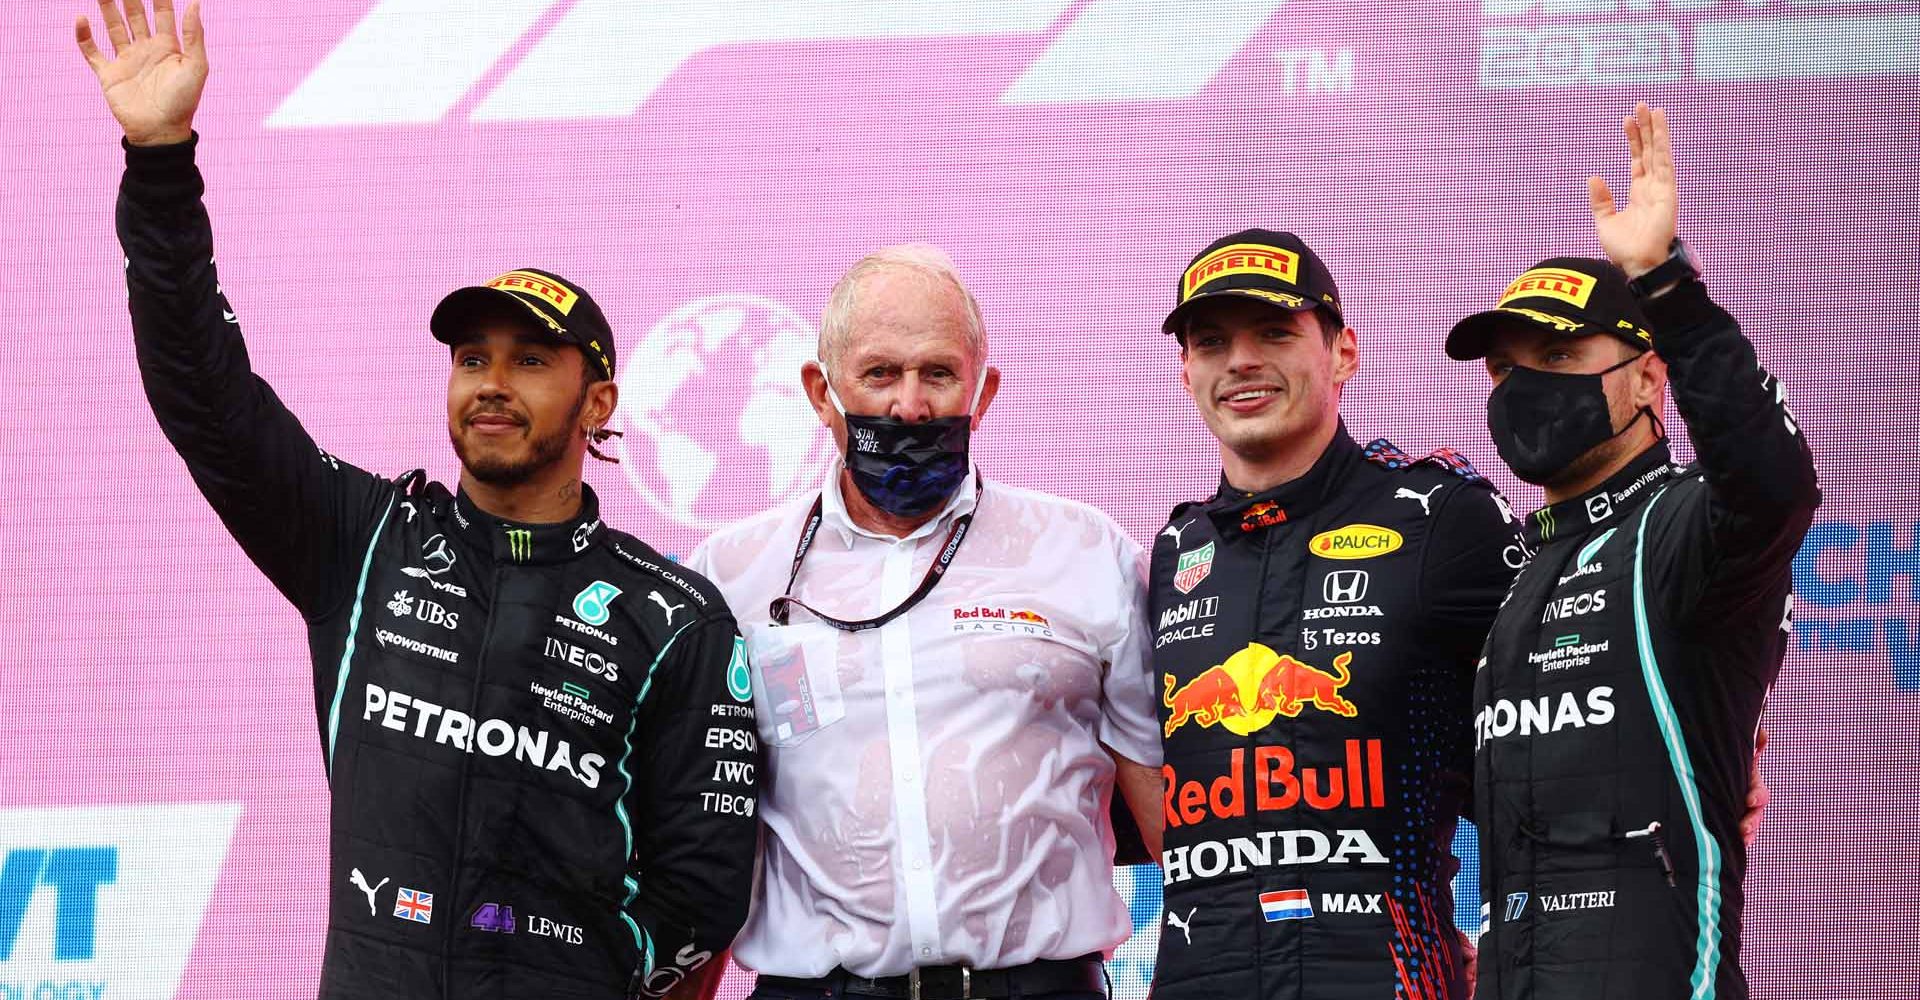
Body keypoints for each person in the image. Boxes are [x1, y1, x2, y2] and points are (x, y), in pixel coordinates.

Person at [77, 3, 758, 996]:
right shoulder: (362, 541)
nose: (491, 382)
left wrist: (582, 973)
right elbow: (202, 392)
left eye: (530, 360)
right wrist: (160, 162)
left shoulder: (675, 620)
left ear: (597, 400)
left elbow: (705, 888)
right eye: (472, 356)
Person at [684, 245, 1164, 1000]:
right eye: (879, 374)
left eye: (938, 374)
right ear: (820, 391)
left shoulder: (1089, 552)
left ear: (984, 391)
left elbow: (1172, 813)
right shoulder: (729, 574)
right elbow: (699, 834)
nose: (909, 406)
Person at [1447, 103, 1819, 999]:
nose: (1527, 383)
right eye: (1506, 367)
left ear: (1649, 377)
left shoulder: (1687, 527)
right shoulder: (1522, 568)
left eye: (1562, 353)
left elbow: (1774, 482)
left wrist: (1665, 283)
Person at [1147, 229, 1520, 1000]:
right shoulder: (1174, 551)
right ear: (1186, 372)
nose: (1241, 361)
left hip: (1384, 976)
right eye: (1211, 342)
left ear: (1343, 352)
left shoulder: (1440, 517)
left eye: (1275, 333)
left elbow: (1557, 716)